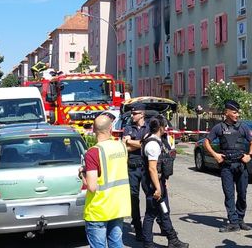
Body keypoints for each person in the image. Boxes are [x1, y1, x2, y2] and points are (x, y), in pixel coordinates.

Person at [203, 99, 252, 232]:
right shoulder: (219, 128)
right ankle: (233, 222)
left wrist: (249, 155)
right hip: (226, 166)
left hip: (241, 165)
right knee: (229, 195)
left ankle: (240, 219)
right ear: (226, 113)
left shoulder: (243, 127)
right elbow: (206, 142)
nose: (237, 115)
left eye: (238, 112)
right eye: (234, 112)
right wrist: (215, 155)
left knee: (242, 194)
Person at [80, 113, 131, 248]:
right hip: (117, 207)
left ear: (93, 130)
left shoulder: (93, 152)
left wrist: (82, 174)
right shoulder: (121, 147)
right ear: (110, 129)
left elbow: (91, 186)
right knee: (116, 243)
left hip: (98, 210)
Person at [141, 116, 188, 248]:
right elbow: (152, 168)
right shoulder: (152, 144)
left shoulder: (153, 139)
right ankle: (148, 243)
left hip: (158, 181)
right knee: (151, 213)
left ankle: (172, 239)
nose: (166, 128)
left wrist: (164, 180)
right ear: (161, 128)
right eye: (165, 126)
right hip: (153, 183)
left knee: (164, 211)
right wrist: (158, 188)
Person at [122, 103, 149, 241]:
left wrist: (131, 142)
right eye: (132, 113)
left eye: (135, 113)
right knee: (134, 199)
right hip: (132, 168)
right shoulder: (128, 128)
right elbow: (124, 147)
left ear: (142, 114)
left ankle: (153, 227)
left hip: (145, 168)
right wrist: (139, 143)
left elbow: (147, 145)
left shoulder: (149, 127)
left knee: (151, 197)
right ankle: (138, 229)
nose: (132, 115)